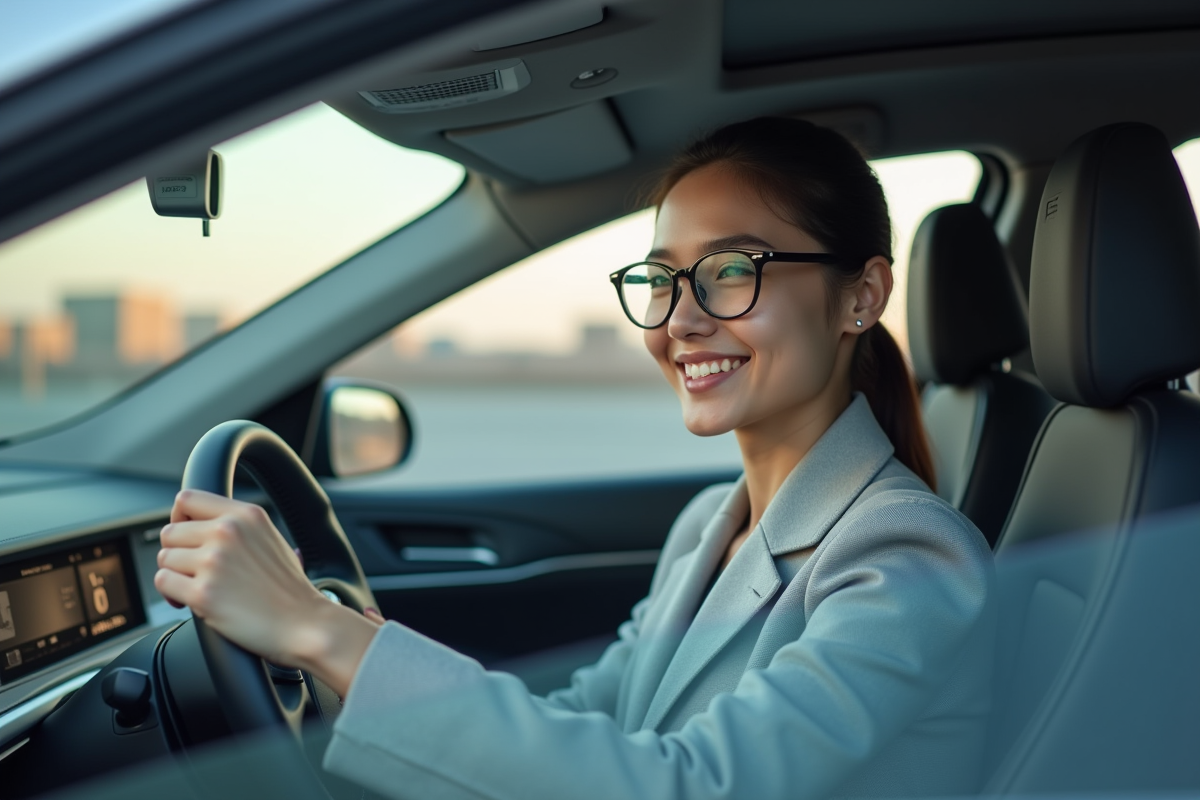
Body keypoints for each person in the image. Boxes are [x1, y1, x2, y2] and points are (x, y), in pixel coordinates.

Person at [155, 117, 994, 800]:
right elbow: (591, 721)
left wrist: (315, 626)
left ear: (863, 296)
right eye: (661, 281)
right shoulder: (714, 522)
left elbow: (697, 787)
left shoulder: (908, 555)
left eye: (733, 271)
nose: (682, 322)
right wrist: (343, 662)